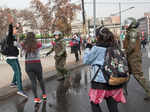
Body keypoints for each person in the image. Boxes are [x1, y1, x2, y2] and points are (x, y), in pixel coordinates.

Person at [83, 26, 126, 112]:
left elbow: (86, 60)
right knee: (112, 105)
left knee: (94, 103)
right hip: (114, 80)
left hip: (100, 82)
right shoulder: (116, 47)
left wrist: (87, 48)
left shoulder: (97, 48)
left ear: (99, 37)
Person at [124, 17, 150, 101]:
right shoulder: (130, 32)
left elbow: (131, 46)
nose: (126, 25)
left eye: (127, 23)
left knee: (138, 75)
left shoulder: (133, 32)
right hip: (131, 56)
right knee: (126, 74)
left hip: (134, 57)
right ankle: (122, 91)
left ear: (132, 23)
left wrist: (125, 52)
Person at [20, 32, 47, 103]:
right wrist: (52, 43)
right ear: (34, 37)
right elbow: (45, 46)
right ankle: (44, 94)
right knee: (40, 79)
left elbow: (18, 47)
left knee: (33, 82)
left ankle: (36, 98)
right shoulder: (37, 43)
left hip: (28, 65)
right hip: (37, 64)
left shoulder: (24, 44)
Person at [5, 14, 27, 98]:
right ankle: (20, 90)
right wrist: (11, 23)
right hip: (11, 58)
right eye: (15, 30)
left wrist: (17, 26)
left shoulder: (13, 38)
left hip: (14, 58)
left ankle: (13, 83)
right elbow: (11, 31)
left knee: (18, 71)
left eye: (16, 30)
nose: (16, 31)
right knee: (18, 73)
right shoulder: (9, 37)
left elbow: (18, 45)